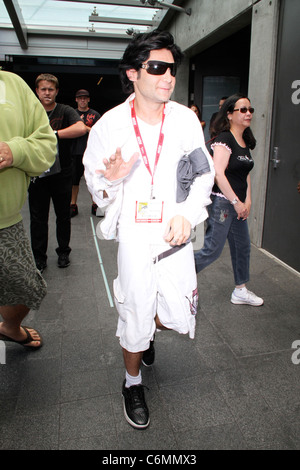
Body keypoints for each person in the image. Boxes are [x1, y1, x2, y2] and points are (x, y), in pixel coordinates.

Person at [83, 30, 215, 429]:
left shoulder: (186, 120)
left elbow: (204, 174)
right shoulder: (110, 125)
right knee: (136, 310)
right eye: (157, 68)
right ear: (133, 73)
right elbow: (98, 188)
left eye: (171, 68)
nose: (168, 77)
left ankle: (146, 332)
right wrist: (112, 180)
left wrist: (189, 215)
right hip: (136, 237)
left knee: (173, 313)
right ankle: (132, 381)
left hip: (174, 233)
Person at [0, 70, 57, 349]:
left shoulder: (11, 85)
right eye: (43, 88)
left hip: (6, 221)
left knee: (27, 287)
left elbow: (47, 144)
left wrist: (14, 151)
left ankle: (9, 328)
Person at [194, 93, 264, 307]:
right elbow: (218, 173)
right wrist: (236, 202)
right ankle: (176, 276)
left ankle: (240, 290)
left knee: (242, 247)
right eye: (242, 109)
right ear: (230, 114)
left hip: (239, 204)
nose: (248, 113)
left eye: (250, 109)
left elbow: (246, 173)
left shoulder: (245, 140)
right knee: (212, 250)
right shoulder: (224, 139)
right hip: (224, 204)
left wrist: (248, 200)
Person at [28, 74, 86, 273]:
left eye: (50, 89)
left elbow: (81, 128)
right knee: (38, 218)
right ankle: (39, 257)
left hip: (62, 173)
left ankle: (63, 252)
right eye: (43, 89)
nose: (46, 93)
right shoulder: (30, 111)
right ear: (37, 91)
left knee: (63, 215)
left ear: (57, 91)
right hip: (37, 174)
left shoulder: (65, 110)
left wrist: (53, 134)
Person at [70, 89, 101, 218]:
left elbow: (100, 132)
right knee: (74, 180)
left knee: (93, 179)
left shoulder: (95, 115)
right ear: (76, 100)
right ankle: (73, 205)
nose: (82, 100)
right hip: (74, 151)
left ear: (88, 99)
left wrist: (84, 128)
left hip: (91, 152)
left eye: (85, 98)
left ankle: (95, 204)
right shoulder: (71, 114)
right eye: (80, 98)